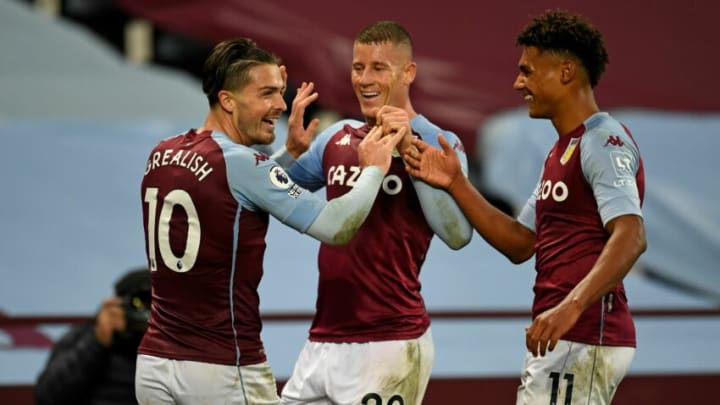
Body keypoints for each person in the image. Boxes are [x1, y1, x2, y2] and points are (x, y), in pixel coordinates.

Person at [136, 38, 405, 405]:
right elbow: (335, 227)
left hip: (153, 364)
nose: (281, 105)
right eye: (266, 93)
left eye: (280, 92)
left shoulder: (163, 152)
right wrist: (373, 169)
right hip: (223, 368)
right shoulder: (243, 164)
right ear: (228, 100)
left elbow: (233, 191)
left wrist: (290, 153)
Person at [404, 9, 647, 404]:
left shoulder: (604, 141)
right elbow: (520, 243)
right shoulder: (561, 151)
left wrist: (570, 307)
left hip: (583, 336)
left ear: (566, 71)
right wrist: (457, 183)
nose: (518, 83)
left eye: (528, 71)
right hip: (565, 337)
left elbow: (632, 236)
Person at [281, 21, 473, 405]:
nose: (364, 79)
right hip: (323, 339)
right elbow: (277, 190)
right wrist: (290, 151)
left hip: (389, 343)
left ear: (409, 73)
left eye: (379, 68)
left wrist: (409, 148)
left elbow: (457, 235)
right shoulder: (336, 137)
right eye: (358, 67)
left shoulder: (440, 142)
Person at [34, 268, 151, 405]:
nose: (148, 312)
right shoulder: (84, 336)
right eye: (139, 303)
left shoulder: (173, 343)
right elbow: (48, 396)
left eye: (156, 304)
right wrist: (97, 341)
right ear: (118, 303)